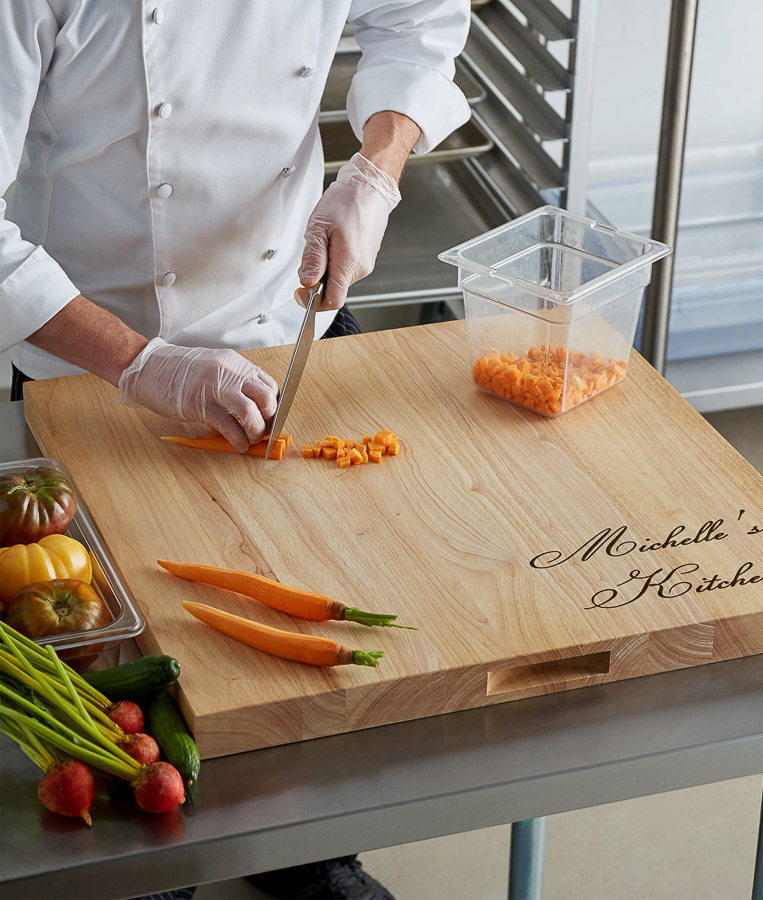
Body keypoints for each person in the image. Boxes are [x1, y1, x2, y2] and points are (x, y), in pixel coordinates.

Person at [1, 2, 471, 898]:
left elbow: (421, 16)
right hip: (87, 349)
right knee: (119, 642)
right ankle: (148, 859)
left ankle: (303, 842)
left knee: (298, 598)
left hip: (281, 305)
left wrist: (376, 168)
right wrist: (140, 364)